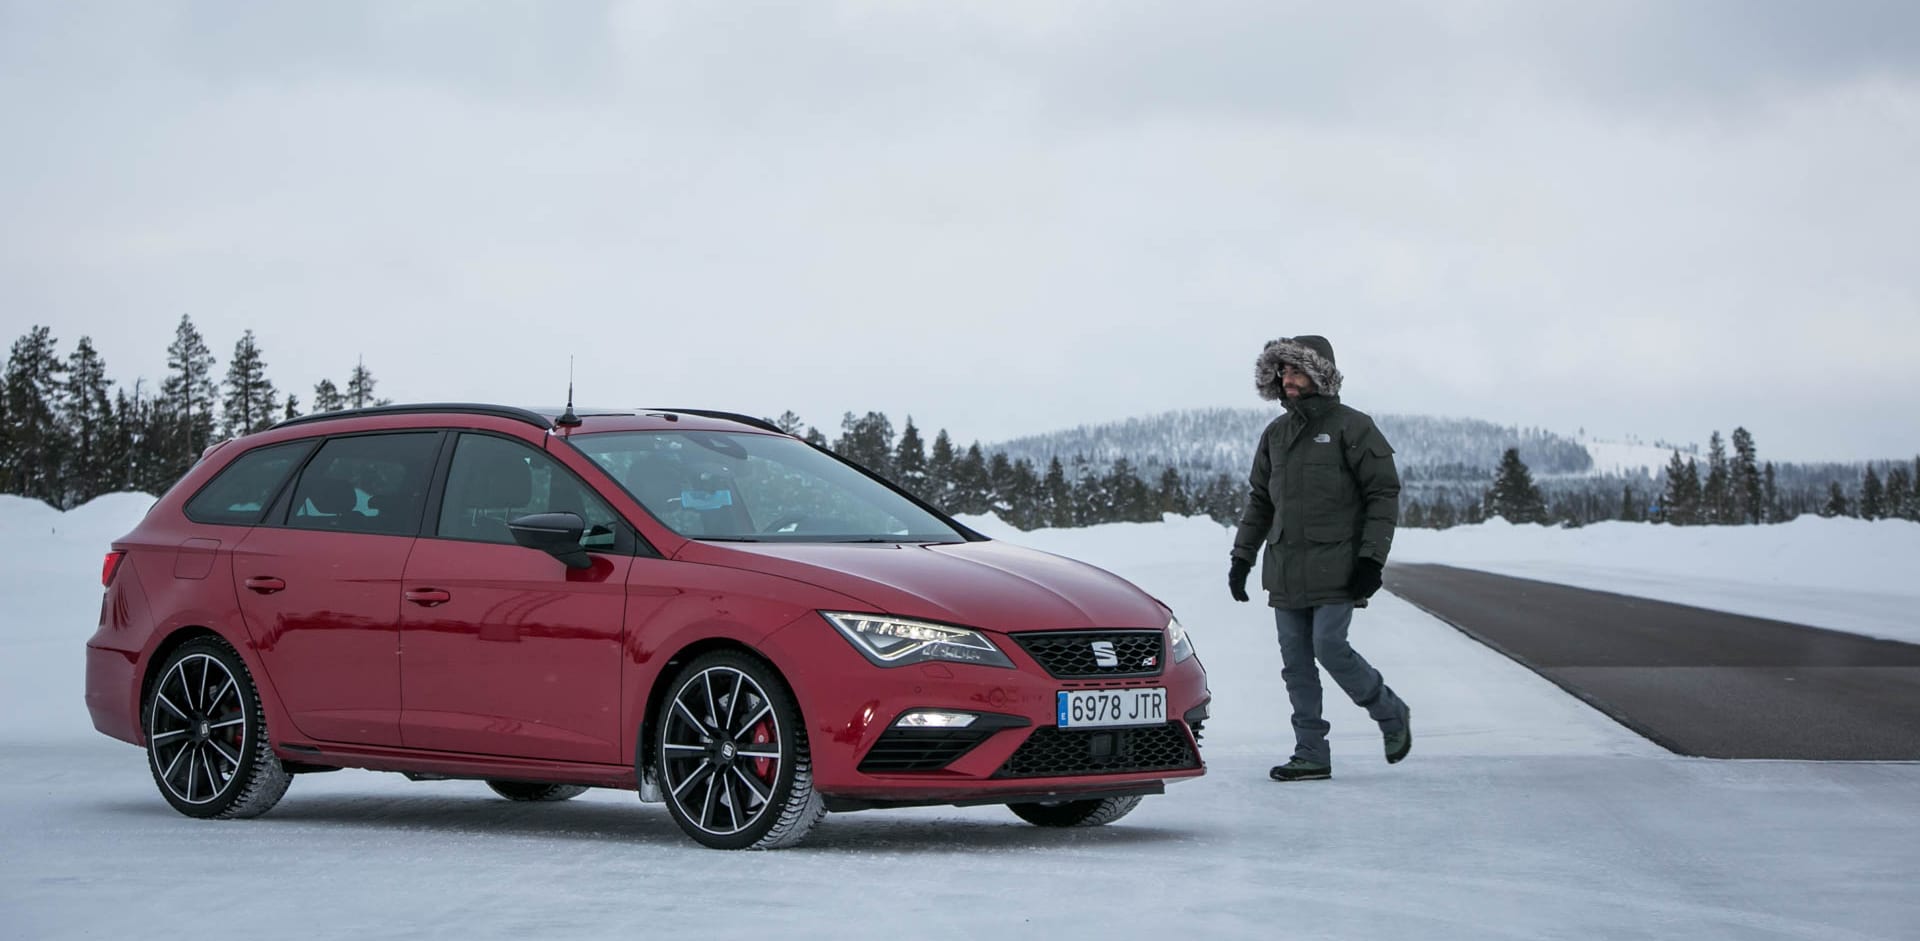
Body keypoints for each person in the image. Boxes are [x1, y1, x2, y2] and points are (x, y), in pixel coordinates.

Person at [1228, 335, 1410, 781]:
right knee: (1295, 663)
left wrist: (1371, 560)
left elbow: (1382, 495)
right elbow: (1260, 502)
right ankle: (1310, 751)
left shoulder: (1353, 427)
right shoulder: (1276, 435)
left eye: (1296, 370)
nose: (1287, 379)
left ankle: (1389, 713)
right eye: (1282, 371)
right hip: (1286, 567)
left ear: (1321, 373)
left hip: (1339, 566)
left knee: (1330, 647)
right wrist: (1242, 557)